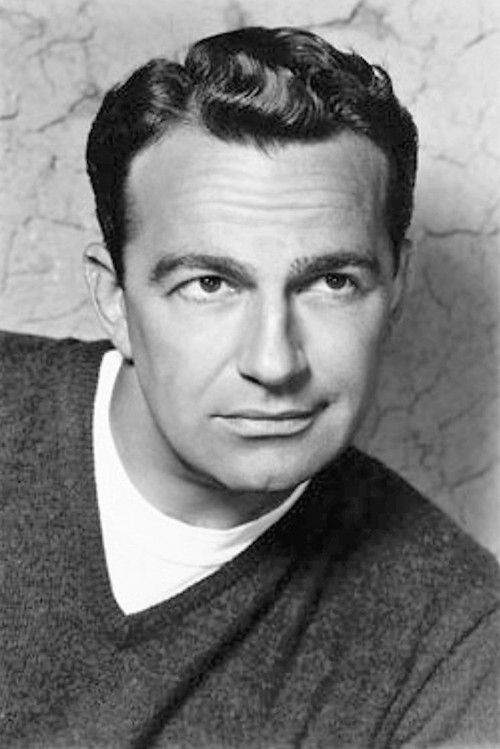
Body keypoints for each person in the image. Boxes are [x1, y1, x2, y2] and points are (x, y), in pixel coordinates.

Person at [0, 25, 498, 749]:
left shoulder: (455, 640)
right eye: (210, 283)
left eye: (332, 282)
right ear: (115, 301)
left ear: (395, 291)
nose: (273, 361)